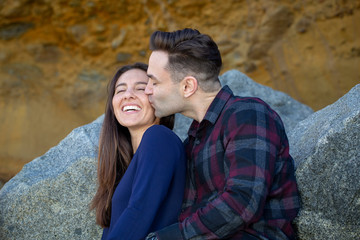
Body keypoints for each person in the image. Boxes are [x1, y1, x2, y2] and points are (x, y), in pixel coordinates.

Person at [144, 29, 301, 239]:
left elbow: (243, 202)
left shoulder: (247, 115)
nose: (146, 90)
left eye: (154, 82)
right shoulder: (193, 140)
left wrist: (170, 237)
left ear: (188, 86)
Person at [91, 62, 186, 240]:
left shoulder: (159, 137)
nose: (128, 95)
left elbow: (139, 211)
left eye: (141, 88)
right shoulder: (127, 165)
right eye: (120, 90)